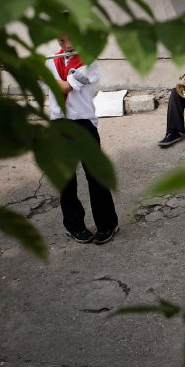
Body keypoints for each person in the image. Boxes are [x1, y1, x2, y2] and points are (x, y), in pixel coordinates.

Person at [44, 34, 119, 244]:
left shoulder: (90, 61)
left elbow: (65, 87)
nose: (68, 46)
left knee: (95, 176)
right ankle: (74, 225)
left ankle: (107, 224)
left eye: (71, 39)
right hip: (59, 122)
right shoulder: (51, 60)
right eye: (61, 41)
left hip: (83, 123)